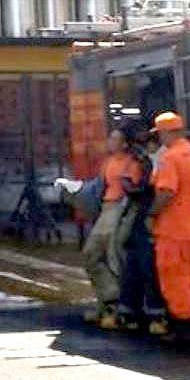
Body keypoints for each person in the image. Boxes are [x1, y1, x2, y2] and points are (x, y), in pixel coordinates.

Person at [146, 111, 190, 347]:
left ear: (165, 132)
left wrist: (151, 213)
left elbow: (166, 191)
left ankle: (185, 329)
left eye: (160, 134)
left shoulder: (170, 158)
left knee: (176, 279)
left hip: (174, 230)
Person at [82, 124, 144, 329]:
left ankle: (115, 305)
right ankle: (109, 299)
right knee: (91, 254)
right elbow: (100, 186)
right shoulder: (108, 162)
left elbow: (134, 191)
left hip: (120, 209)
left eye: (115, 138)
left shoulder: (132, 163)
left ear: (124, 143)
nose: (110, 142)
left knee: (113, 256)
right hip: (107, 209)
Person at [114, 130, 167, 334]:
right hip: (143, 215)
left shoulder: (162, 160)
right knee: (136, 262)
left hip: (148, 215)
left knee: (146, 264)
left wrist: (133, 188)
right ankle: (132, 310)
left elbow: (156, 190)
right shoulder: (152, 160)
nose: (141, 148)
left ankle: (155, 313)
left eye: (144, 143)